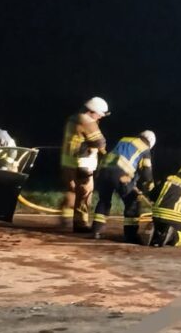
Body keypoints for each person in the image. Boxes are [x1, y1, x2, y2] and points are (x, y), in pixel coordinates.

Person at [91, 130, 156, 242]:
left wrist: (133, 183)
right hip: (121, 174)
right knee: (132, 201)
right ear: (151, 143)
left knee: (104, 200)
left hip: (103, 171)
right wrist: (150, 187)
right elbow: (147, 172)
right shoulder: (145, 149)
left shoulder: (124, 139)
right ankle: (130, 235)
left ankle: (96, 231)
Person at [60, 97, 108, 232]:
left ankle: (66, 218)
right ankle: (80, 224)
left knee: (72, 190)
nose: (100, 117)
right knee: (85, 194)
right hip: (83, 164)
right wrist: (105, 153)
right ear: (92, 111)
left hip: (67, 163)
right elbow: (100, 142)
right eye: (99, 114)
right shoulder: (87, 122)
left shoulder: (72, 118)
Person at [150, 165, 181, 247]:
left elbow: (152, 196)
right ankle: (172, 234)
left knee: (162, 230)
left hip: (157, 217)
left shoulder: (166, 181)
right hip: (175, 218)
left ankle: (159, 234)